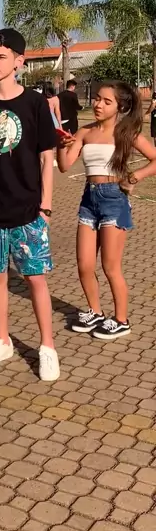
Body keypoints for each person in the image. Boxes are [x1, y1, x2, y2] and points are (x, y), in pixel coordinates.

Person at [0, 29, 60, 382]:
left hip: (28, 210)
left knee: (35, 279)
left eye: (1, 57)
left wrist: (45, 205)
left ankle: (47, 347)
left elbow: (46, 157)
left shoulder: (35, 103)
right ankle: (2, 340)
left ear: (19, 61)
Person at [58, 81, 156, 339]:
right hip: (88, 200)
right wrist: (61, 145)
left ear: (120, 107)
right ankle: (95, 312)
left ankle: (121, 320)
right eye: (97, 98)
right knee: (84, 265)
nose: (98, 104)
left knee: (110, 267)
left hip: (114, 200)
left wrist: (134, 177)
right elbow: (64, 166)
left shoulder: (126, 134)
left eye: (106, 101)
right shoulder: (84, 132)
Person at [44, 83, 63, 167]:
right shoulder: (55, 99)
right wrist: (59, 124)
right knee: (53, 140)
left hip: (44, 119)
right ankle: (52, 159)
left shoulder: (41, 97)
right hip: (52, 120)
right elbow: (57, 112)